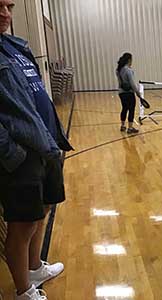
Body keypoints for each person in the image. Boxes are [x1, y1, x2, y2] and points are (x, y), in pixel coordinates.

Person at [0, 0, 73, 299]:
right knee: (22, 223)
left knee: (42, 209)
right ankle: (23, 290)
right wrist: (11, 152)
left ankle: (34, 267)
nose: (5, 14)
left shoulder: (14, 46)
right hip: (21, 153)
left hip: (45, 144)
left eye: (8, 7)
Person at [116, 52, 141, 134]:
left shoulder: (118, 70)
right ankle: (130, 128)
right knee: (131, 109)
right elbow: (132, 83)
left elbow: (120, 83)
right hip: (129, 93)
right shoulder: (128, 70)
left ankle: (122, 126)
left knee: (124, 108)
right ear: (129, 60)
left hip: (121, 93)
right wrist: (137, 92)